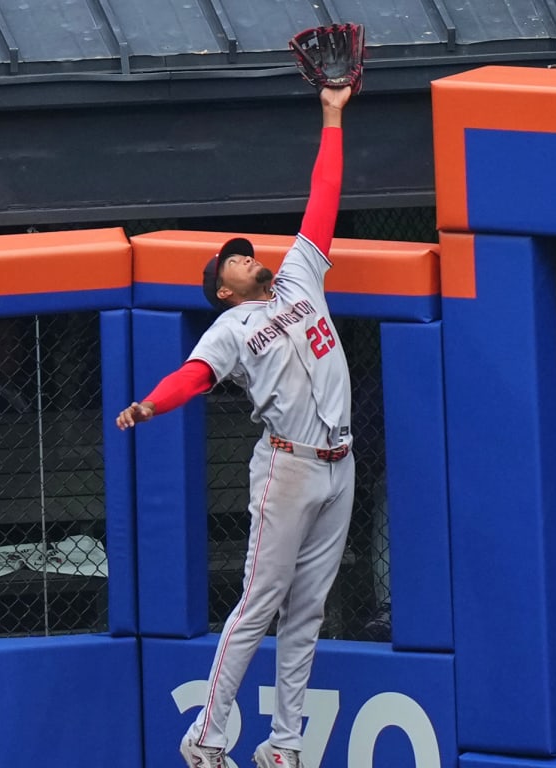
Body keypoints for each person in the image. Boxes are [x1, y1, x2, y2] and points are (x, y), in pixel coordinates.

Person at [115, 84, 355, 768]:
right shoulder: (231, 325)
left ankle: (283, 746)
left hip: (340, 462)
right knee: (259, 604)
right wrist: (151, 404)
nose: (247, 255)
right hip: (288, 465)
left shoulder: (300, 276)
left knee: (307, 611)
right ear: (224, 288)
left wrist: (332, 114)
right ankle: (207, 736)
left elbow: (323, 198)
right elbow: (193, 376)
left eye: (246, 252)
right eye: (235, 259)